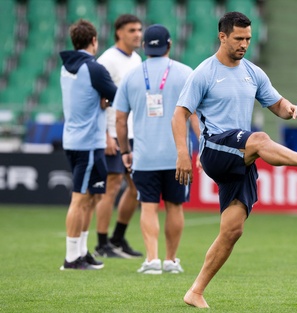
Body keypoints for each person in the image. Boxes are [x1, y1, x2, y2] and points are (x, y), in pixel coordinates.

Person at [171, 12, 297, 308]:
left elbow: (279, 105)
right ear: (222, 37)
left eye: (248, 38)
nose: (245, 44)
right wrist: (184, 152)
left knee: (232, 230)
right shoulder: (204, 73)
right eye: (238, 38)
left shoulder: (253, 72)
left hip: (239, 155)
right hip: (216, 149)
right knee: (258, 139)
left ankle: (195, 291)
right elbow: (180, 114)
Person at [115, 24, 198, 274]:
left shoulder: (131, 75)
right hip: (177, 156)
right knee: (175, 206)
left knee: (148, 206)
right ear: (169, 45)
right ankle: (171, 260)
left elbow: (120, 119)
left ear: (143, 47)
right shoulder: (186, 73)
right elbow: (196, 117)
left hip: (144, 155)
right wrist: (202, 149)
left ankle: (151, 260)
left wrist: (124, 151)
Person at [59, 19, 117, 270]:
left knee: (91, 197)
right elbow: (116, 95)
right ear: (94, 41)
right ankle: (71, 258)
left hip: (74, 138)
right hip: (88, 142)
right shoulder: (94, 67)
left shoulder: (66, 66)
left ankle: (81, 252)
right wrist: (104, 101)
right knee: (80, 199)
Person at [94, 14, 143, 258]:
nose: (138, 34)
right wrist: (105, 134)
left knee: (136, 187)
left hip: (133, 132)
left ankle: (117, 237)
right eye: (132, 30)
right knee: (112, 186)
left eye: (139, 30)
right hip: (112, 132)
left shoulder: (136, 59)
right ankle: (101, 243)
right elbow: (97, 100)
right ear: (119, 33)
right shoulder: (107, 60)